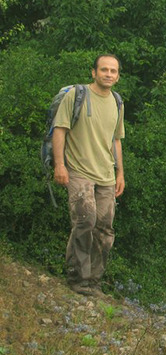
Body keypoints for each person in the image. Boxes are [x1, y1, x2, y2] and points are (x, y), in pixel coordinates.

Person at [53, 54, 125, 297]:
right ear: (94, 72)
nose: (108, 74)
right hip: (78, 170)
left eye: (113, 71)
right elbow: (60, 130)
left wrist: (120, 172)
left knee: (105, 229)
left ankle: (94, 282)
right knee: (85, 221)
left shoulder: (117, 102)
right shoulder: (76, 96)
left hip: (106, 174)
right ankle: (77, 278)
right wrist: (59, 165)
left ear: (117, 76)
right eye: (103, 69)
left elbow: (116, 140)